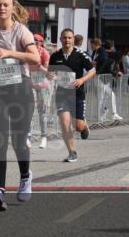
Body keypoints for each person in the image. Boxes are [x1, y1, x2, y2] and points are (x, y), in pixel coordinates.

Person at [0, 0, 40, 210]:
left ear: (12, 8)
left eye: (5, 5)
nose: (1, 9)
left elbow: (35, 58)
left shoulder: (21, 31)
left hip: (20, 88)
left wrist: (9, 53)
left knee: (18, 140)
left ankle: (25, 176)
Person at [48, 28, 95, 160]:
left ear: (73, 39)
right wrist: (50, 75)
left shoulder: (81, 55)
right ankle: (72, 152)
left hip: (77, 94)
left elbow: (92, 71)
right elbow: (50, 73)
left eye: (69, 38)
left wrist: (82, 80)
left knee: (77, 126)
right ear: (60, 39)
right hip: (62, 94)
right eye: (64, 38)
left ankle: (84, 126)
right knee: (64, 123)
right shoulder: (55, 56)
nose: (67, 40)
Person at [91, 37, 122, 123]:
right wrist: (114, 73)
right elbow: (105, 66)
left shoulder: (100, 52)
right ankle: (103, 116)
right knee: (102, 97)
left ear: (95, 44)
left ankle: (105, 115)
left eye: (91, 45)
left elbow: (97, 64)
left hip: (101, 78)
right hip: (100, 78)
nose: (91, 46)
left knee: (107, 96)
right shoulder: (99, 53)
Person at [31, 33, 51, 148]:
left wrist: (39, 66)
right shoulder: (28, 51)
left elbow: (47, 72)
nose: (34, 42)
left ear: (41, 42)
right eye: (32, 40)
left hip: (42, 85)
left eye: (36, 40)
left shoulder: (44, 53)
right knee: (28, 110)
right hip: (31, 84)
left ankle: (43, 137)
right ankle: (28, 136)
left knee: (42, 112)